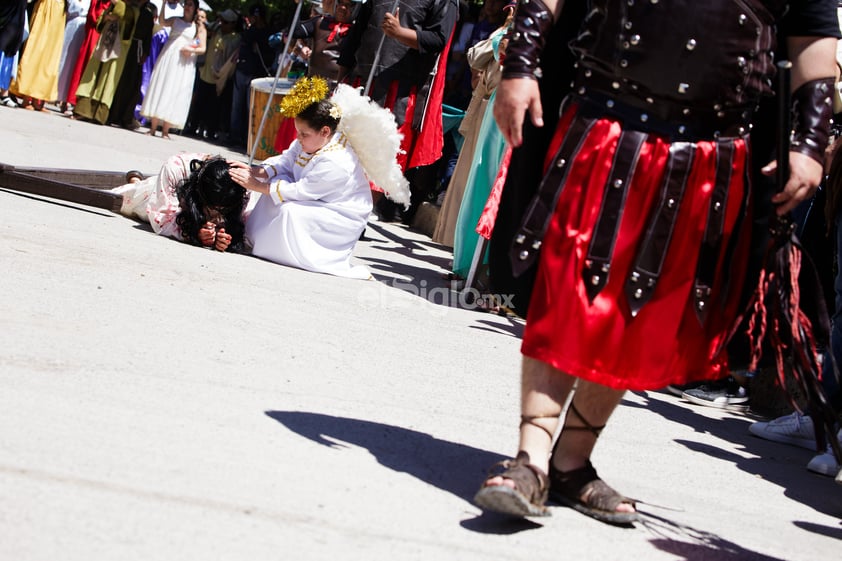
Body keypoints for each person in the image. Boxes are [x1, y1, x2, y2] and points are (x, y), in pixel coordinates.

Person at [472, 0, 840, 522]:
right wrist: (522, 61)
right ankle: (531, 459)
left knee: (639, 311)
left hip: (713, 154)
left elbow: (813, 40)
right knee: (569, 285)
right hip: (606, 118)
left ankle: (573, 463)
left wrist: (809, 139)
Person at [228, 77, 374, 278]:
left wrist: (255, 185)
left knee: (289, 211)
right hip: (317, 199)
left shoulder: (337, 161)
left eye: (303, 134)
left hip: (341, 213)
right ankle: (254, 240)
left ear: (325, 131)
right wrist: (255, 172)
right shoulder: (312, 141)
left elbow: (303, 191)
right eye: (298, 133)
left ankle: (278, 251)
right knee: (274, 194)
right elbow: (287, 160)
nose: (298, 138)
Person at [337, 0, 459, 223]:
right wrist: (340, 79)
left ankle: (359, 215)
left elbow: (438, 39)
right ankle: (335, 205)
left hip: (399, 89)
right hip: (361, 78)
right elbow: (357, 33)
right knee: (344, 146)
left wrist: (400, 32)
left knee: (379, 154)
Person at [113, 153, 248, 252]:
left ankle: (136, 180)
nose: (215, 215)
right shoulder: (175, 167)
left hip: (163, 187)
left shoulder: (241, 186)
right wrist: (194, 233)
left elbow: (244, 227)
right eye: (212, 208)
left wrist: (223, 237)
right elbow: (162, 218)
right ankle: (135, 182)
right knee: (128, 197)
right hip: (161, 196)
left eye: (223, 209)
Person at [141, 0, 206, 138]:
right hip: (169, 56)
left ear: (195, 8)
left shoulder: (198, 27)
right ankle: (153, 127)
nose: (188, 7)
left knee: (175, 91)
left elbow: (203, 48)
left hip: (184, 62)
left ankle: (166, 130)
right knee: (161, 86)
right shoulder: (176, 20)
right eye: (186, 4)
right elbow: (162, 21)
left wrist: (191, 50)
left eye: (191, 5)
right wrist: (164, 4)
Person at [73, 0, 140, 124]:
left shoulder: (133, 10)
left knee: (107, 80)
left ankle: (99, 114)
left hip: (117, 50)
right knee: (92, 76)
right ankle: (83, 110)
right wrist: (106, 17)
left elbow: (120, 13)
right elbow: (100, 22)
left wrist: (114, 9)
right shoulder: (113, 5)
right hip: (103, 44)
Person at [10, 0, 66, 111]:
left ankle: (38, 99)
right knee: (35, 50)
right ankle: (26, 97)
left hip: (59, 11)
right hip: (45, 7)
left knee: (49, 56)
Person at [107, 0, 155, 129]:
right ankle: (112, 114)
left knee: (132, 84)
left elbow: (148, 37)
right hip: (123, 47)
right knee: (119, 81)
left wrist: (145, 53)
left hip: (136, 51)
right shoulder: (128, 9)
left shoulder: (147, 14)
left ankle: (126, 117)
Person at [55, 0, 90, 114]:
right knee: (64, 60)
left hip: (84, 28)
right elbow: (73, 8)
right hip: (72, 25)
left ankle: (68, 100)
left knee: (75, 65)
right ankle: (57, 95)